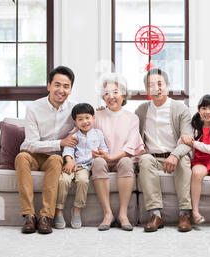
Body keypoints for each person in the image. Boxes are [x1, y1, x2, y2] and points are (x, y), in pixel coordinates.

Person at [15, 66, 77, 234]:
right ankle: (29, 216)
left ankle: (45, 217)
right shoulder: (34, 108)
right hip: (33, 156)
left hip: (54, 159)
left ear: (70, 89)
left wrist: (100, 113)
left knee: (56, 160)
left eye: (66, 86)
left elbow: (88, 124)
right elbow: (31, 144)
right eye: (57, 85)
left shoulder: (74, 110)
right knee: (21, 157)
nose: (61, 90)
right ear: (49, 86)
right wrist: (60, 143)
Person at [136, 68, 193, 233]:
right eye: (151, 85)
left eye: (160, 84)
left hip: (175, 155)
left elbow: (187, 139)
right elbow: (130, 130)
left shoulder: (180, 109)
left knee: (184, 160)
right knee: (144, 160)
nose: (156, 88)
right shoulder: (141, 110)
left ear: (168, 86)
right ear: (147, 90)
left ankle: (184, 214)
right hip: (152, 158)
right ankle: (155, 215)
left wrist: (175, 155)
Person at [92, 73, 144, 231]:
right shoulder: (96, 115)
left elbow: (130, 146)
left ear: (124, 95)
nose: (111, 96)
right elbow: (86, 136)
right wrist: (100, 155)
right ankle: (108, 214)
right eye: (106, 93)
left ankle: (123, 214)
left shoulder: (132, 118)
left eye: (115, 92)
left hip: (122, 159)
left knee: (127, 161)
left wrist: (112, 157)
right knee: (98, 162)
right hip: (103, 160)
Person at [54, 103, 108, 229]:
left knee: (83, 181)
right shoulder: (74, 135)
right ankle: (58, 210)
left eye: (87, 118)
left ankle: (77, 210)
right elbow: (68, 150)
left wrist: (101, 154)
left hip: (86, 167)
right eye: (80, 119)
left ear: (93, 118)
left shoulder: (98, 134)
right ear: (75, 122)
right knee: (63, 181)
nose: (85, 122)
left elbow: (105, 149)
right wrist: (68, 160)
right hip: (72, 165)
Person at [180, 94, 210, 230]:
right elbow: (184, 142)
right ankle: (195, 212)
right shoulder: (195, 126)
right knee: (196, 173)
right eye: (204, 108)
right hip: (200, 160)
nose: (207, 112)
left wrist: (194, 143)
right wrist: (184, 138)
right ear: (198, 110)